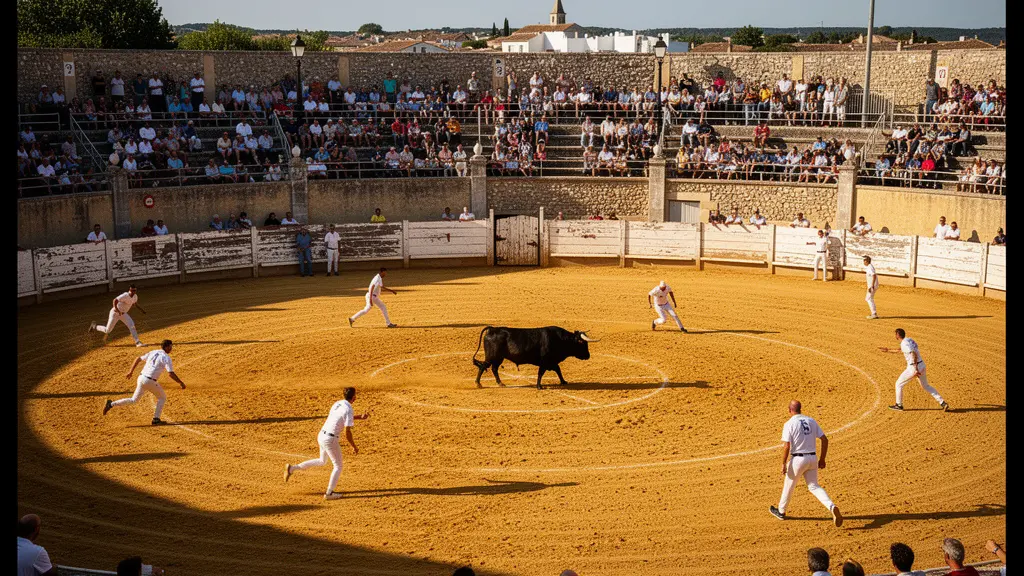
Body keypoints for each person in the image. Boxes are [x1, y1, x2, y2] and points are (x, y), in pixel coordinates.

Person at [284, 387, 369, 500]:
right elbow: (347, 432)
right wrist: (354, 446)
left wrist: (359, 417)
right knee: (338, 466)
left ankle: (292, 468)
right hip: (331, 439)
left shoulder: (337, 404)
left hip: (322, 435)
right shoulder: (349, 409)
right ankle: (329, 493)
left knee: (322, 461)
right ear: (354, 397)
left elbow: (340, 417)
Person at [769, 400, 843, 527]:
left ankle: (781, 511)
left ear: (789, 410)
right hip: (812, 458)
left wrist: (783, 463)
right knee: (814, 486)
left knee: (789, 485)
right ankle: (831, 506)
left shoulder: (789, 424)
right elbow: (824, 440)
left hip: (798, 460)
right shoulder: (811, 421)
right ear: (800, 409)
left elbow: (787, 446)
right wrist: (822, 459)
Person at [103, 339, 185, 426]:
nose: (171, 348)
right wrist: (180, 382)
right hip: (150, 381)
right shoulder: (166, 358)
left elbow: (138, 359)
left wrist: (131, 371)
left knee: (133, 400)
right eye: (171, 346)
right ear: (167, 347)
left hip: (141, 378)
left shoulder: (153, 352)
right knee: (162, 397)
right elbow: (170, 374)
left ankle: (111, 404)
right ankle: (156, 419)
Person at [880, 328, 949, 412]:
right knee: (926, 386)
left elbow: (913, 353)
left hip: (913, 367)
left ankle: (899, 405)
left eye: (895, 334)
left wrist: (915, 369)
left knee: (898, 384)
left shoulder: (904, 344)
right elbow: (902, 350)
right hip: (922, 365)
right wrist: (888, 350)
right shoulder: (909, 340)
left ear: (898, 335)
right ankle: (942, 402)